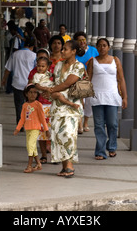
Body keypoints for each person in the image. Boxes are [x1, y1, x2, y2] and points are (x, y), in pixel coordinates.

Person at [46, 40, 85, 178]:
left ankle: (69, 166)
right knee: (58, 135)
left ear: (74, 51)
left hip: (71, 106)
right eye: (62, 49)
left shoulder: (78, 66)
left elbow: (68, 83)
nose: (62, 51)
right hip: (57, 105)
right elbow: (54, 80)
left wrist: (51, 90)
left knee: (68, 134)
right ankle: (64, 166)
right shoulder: (58, 65)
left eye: (65, 49)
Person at [87, 38, 128, 160]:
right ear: (97, 48)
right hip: (97, 96)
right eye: (99, 46)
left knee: (113, 124)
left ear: (108, 47)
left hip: (112, 96)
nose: (102, 48)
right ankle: (100, 151)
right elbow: (88, 80)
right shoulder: (92, 61)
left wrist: (125, 97)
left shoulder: (115, 60)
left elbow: (121, 79)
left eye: (104, 45)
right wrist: (83, 97)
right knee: (99, 125)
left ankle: (112, 147)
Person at [14, 84, 50, 173]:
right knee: (31, 147)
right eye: (30, 92)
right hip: (28, 129)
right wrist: (18, 128)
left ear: (38, 94)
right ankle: (38, 163)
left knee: (30, 145)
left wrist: (46, 130)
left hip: (35, 129)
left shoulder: (38, 105)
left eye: (35, 93)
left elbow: (42, 118)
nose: (33, 95)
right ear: (26, 94)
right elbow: (22, 118)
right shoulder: (25, 105)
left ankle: (29, 165)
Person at [2, 36, 36, 124]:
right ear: (32, 46)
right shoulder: (34, 56)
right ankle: (28, 122)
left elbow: (8, 69)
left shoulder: (15, 54)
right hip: (30, 84)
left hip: (17, 83)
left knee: (19, 105)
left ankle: (20, 123)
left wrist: (4, 80)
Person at [28, 49, 54, 164]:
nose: (40, 68)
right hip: (39, 106)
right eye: (39, 65)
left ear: (48, 65)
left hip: (51, 105)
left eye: (43, 66)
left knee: (52, 132)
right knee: (41, 132)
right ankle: (43, 154)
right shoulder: (34, 74)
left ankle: (54, 155)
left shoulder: (52, 73)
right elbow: (31, 87)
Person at [73, 31, 99, 133]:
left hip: (90, 79)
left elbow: (98, 61)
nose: (82, 42)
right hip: (77, 79)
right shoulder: (74, 51)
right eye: (79, 40)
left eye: (83, 40)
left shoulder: (93, 50)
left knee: (88, 103)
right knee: (80, 102)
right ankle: (79, 124)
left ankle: (85, 122)